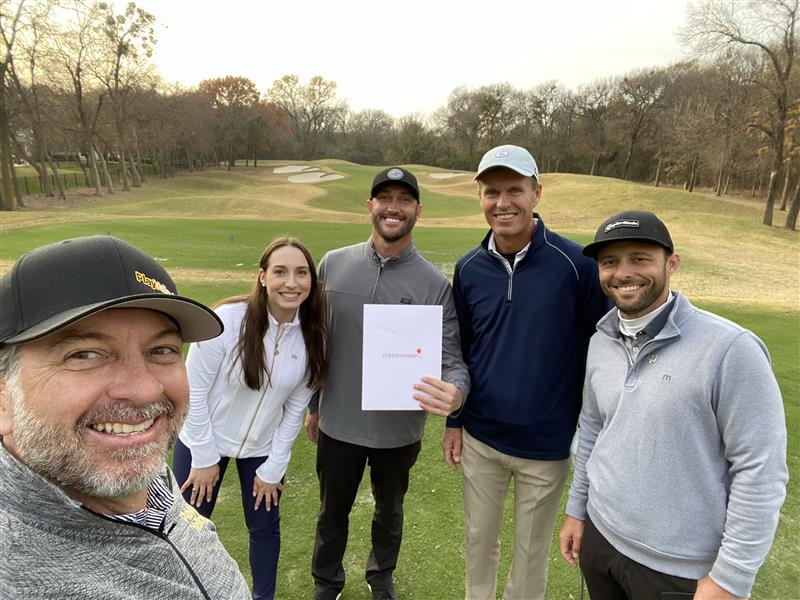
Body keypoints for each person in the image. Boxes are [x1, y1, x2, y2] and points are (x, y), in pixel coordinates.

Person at [0, 235, 250, 599]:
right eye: (84, 354)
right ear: (4, 398)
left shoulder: (149, 487)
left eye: (161, 350)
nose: (145, 390)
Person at [558, 210, 788, 600]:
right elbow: (593, 430)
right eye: (610, 262)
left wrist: (730, 578)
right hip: (601, 539)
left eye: (640, 258)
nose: (623, 272)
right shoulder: (601, 339)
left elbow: (760, 470)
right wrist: (577, 510)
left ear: (672, 263)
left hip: (677, 570)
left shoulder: (731, 350)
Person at [443, 145, 609, 600]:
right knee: (479, 542)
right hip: (481, 438)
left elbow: (606, 347)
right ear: (480, 198)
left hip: (546, 444)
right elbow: (464, 351)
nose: (503, 202)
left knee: (530, 553)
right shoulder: (469, 269)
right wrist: (454, 421)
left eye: (514, 189)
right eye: (491, 191)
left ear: (537, 193)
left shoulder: (578, 265)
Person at [305, 167, 470, 600]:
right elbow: (317, 344)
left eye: (403, 199)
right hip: (339, 423)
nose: (392, 207)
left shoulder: (434, 285)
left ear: (417, 210)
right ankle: (327, 582)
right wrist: (313, 404)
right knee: (331, 512)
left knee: (389, 511)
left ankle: (381, 577)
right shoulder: (333, 265)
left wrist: (457, 394)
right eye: (384, 198)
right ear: (370, 206)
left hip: (399, 431)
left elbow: (451, 357)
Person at [173, 236, 327, 600]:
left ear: (311, 281)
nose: (291, 282)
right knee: (186, 528)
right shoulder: (226, 321)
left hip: (261, 447)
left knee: (264, 529)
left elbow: (294, 411)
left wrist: (275, 467)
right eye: (280, 272)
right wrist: (205, 457)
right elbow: (190, 392)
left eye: (301, 273)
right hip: (202, 441)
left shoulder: (312, 338)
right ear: (262, 276)